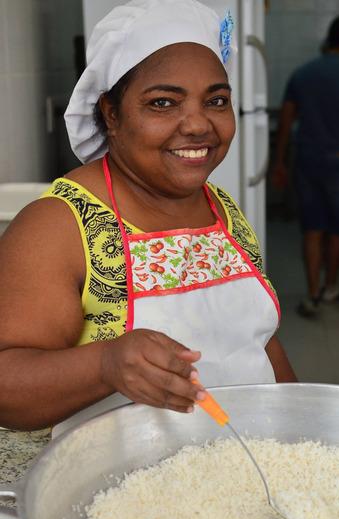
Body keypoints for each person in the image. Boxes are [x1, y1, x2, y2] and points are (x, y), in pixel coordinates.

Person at [0, 0, 296, 433]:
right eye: (163, 103)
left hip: (247, 468)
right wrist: (104, 364)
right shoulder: (58, 227)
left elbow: (258, 341)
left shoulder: (223, 209)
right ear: (111, 114)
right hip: (123, 486)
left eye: (215, 100)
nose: (197, 125)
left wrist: (300, 427)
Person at [272, 15, 339, 318]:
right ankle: (331, 285)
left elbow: (286, 121)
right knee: (337, 230)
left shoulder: (303, 74)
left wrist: (278, 162)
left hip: (306, 161)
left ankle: (312, 294)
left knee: (313, 229)